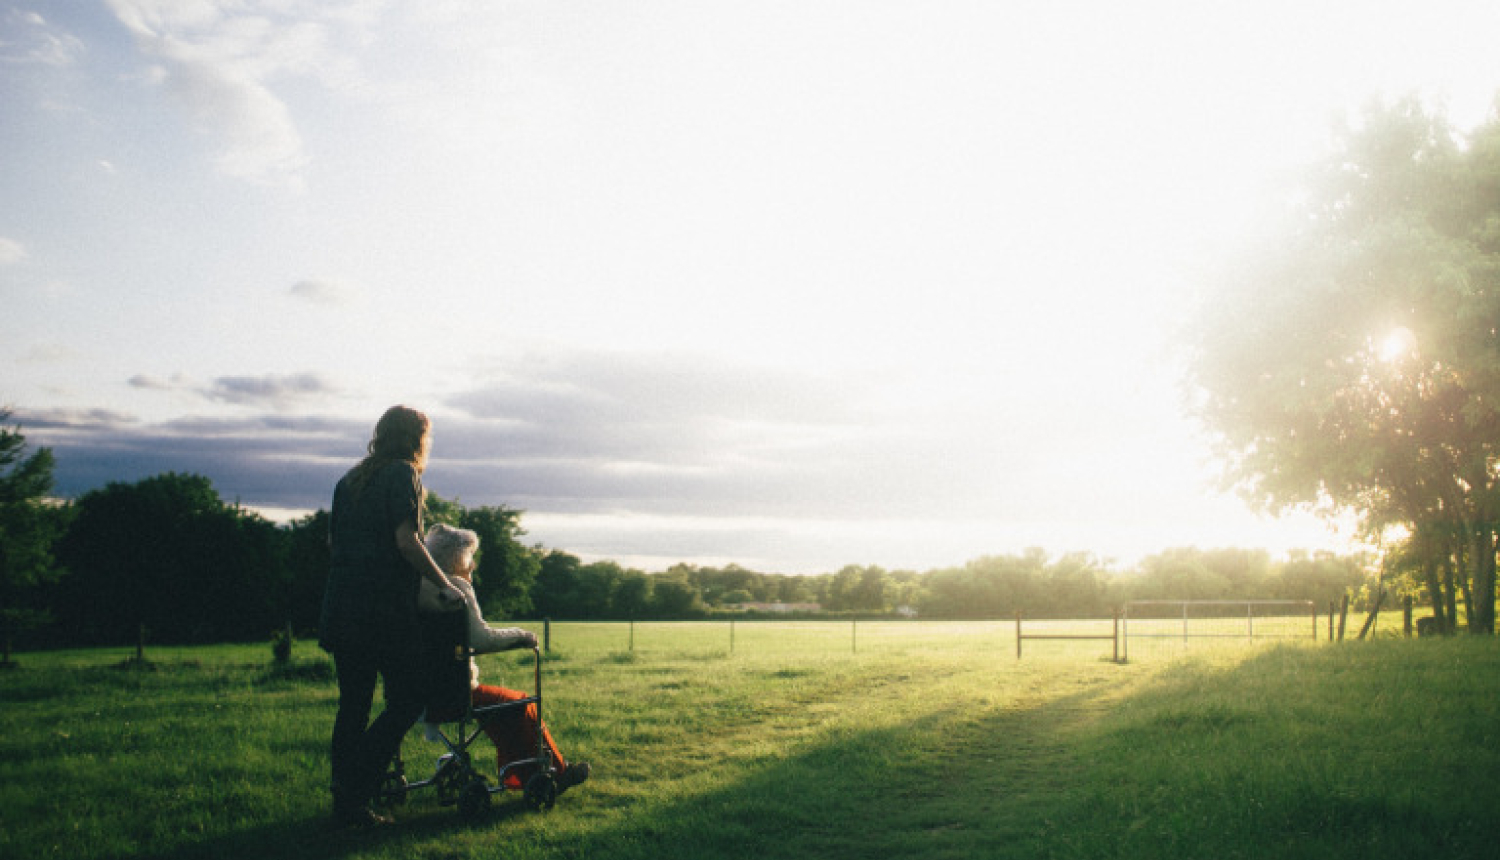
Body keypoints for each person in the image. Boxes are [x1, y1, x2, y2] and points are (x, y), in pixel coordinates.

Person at [318, 405, 466, 827]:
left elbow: (334, 543)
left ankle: (346, 803)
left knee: (353, 706)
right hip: (381, 612)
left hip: (341, 607)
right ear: (416, 438)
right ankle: (355, 786)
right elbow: (407, 541)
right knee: (409, 699)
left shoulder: (349, 481)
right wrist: (445, 584)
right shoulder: (403, 474)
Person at [418, 524, 591, 794]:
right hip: (454, 692)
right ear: (457, 559)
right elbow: (482, 639)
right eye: (470, 557)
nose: (473, 565)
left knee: (502, 707)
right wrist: (521, 635)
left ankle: (523, 774)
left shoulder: (417, 587)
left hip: (418, 692)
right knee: (520, 703)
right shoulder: (456, 588)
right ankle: (556, 772)